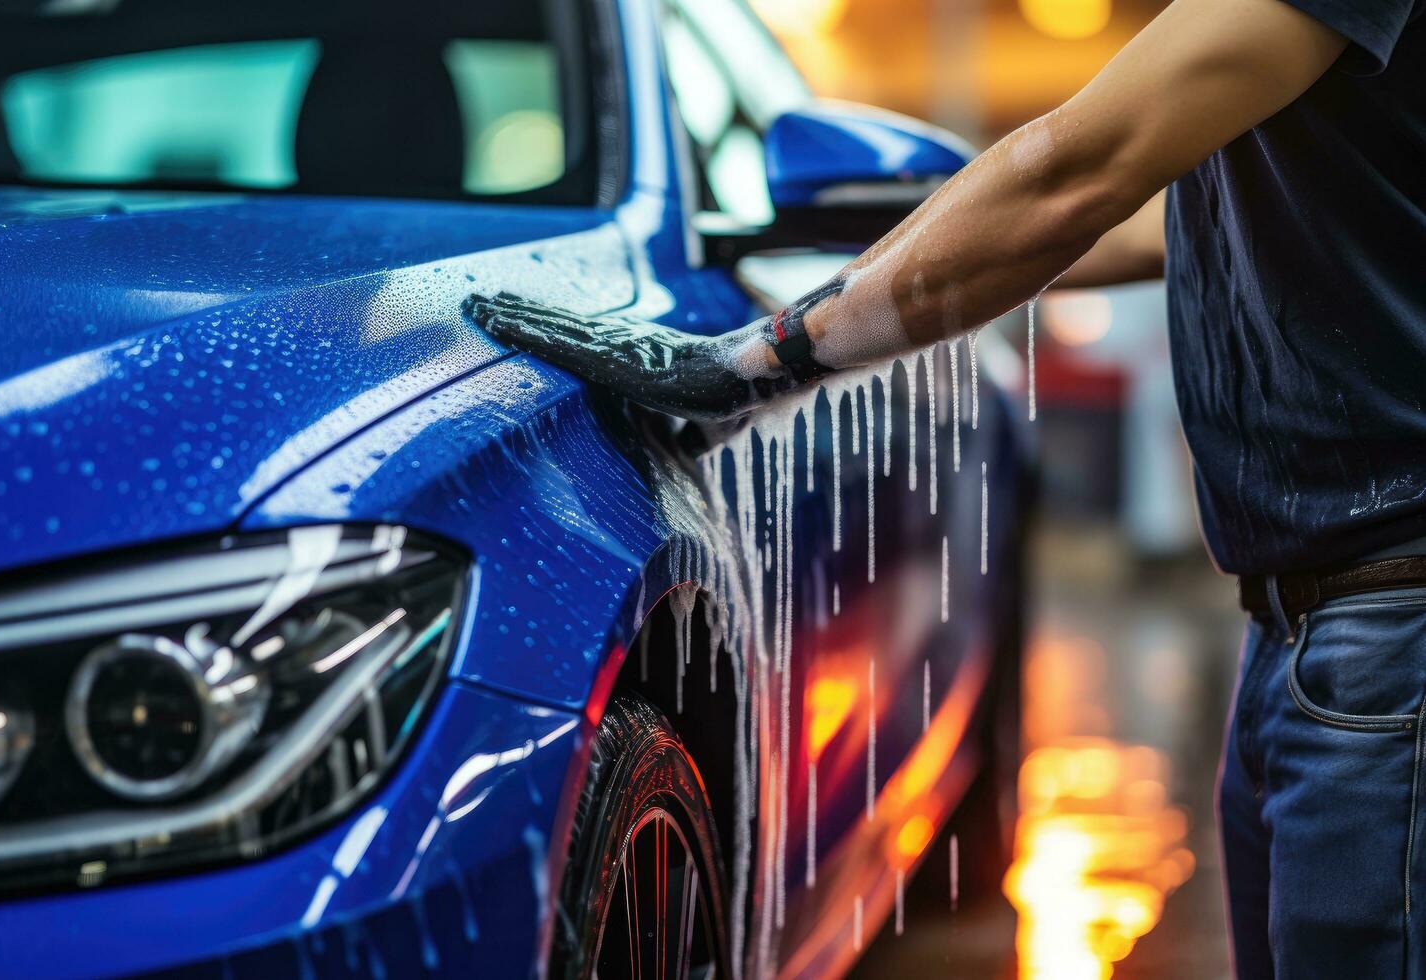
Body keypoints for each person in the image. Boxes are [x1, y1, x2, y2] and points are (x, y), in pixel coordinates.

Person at [468, 0, 1426, 972]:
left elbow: (1074, 176)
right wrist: (871, 280)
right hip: (1312, 626)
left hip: (1391, 623)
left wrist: (763, 354)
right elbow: (1145, 221)